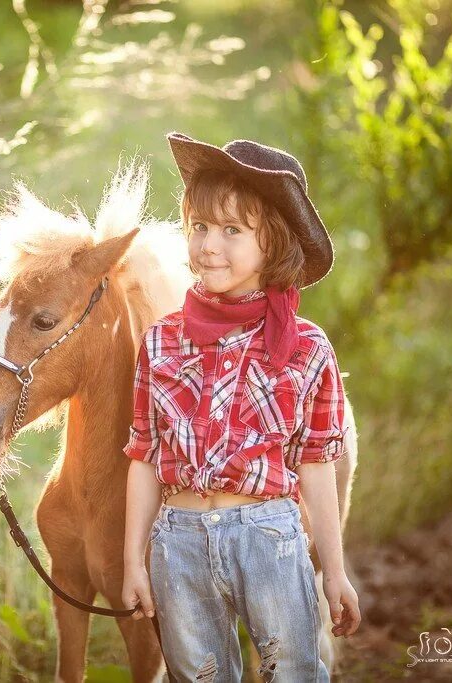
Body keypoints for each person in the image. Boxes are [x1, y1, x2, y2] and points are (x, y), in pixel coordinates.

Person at [121, 132, 361, 681]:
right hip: (177, 540)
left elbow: (317, 462)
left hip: (268, 537)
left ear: (272, 244)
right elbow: (143, 455)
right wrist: (133, 559)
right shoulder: (162, 341)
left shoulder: (305, 348)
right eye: (200, 227)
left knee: (292, 672)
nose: (210, 245)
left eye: (233, 231)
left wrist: (335, 571)